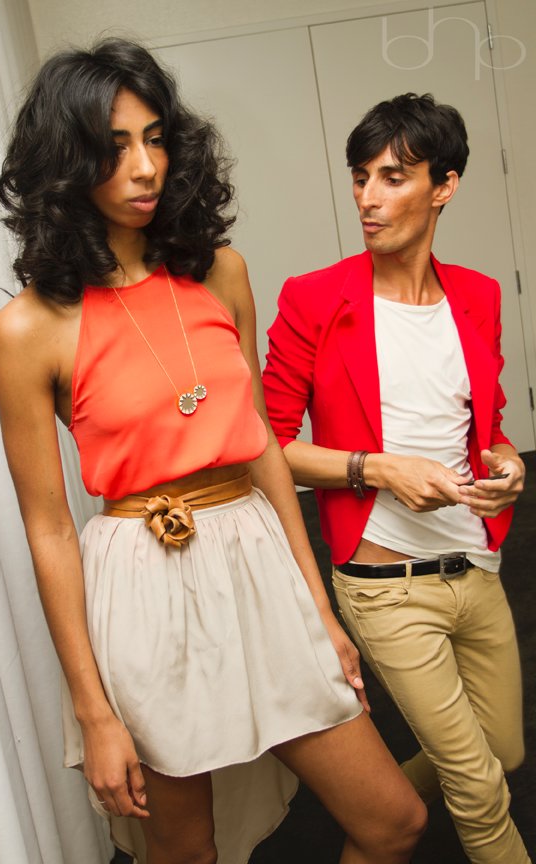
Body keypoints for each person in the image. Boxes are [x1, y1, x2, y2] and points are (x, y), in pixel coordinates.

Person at [0, 40, 426, 864]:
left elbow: (260, 439)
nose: (146, 166)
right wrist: (93, 711)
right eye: (114, 147)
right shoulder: (27, 329)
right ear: (64, 160)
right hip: (142, 584)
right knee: (187, 855)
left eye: (155, 138)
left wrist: (319, 610)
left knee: (392, 822)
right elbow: (48, 528)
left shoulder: (220, 272)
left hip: (257, 553)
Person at [263, 92, 531, 864]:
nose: (367, 199)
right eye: (360, 178)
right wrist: (374, 469)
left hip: (476, 568)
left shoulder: (476, 297)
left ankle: (373, 823)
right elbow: (266, 444)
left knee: (499, 755)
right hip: (386, 586)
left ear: (444, 185)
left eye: (392, 177)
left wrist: (506, 465)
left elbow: (486, 422)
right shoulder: (315, 299)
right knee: (481, 792)